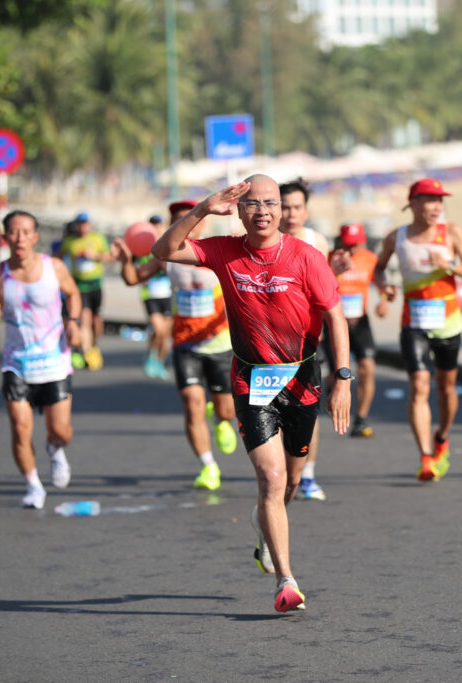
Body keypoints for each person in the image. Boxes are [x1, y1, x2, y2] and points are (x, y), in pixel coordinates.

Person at [152, 175, 351, 614]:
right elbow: (162, 251)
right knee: (271, 479)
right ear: (239, 211)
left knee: (293, 481)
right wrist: (203, 209)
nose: (262, 211)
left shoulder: (306, 257)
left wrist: (342, 378)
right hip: (251, 381)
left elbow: (335, 316)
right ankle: (286, 579)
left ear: (281, 209)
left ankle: (266, 529)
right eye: (252, 204)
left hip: (301, 378)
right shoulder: (224, 251)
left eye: (270, 203)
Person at [112, 199, 238, 491]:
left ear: (203, 221)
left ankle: (220, 419)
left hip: (220, 345)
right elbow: (133, 280)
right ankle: (208, 466)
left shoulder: (219, 252)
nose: (189, 224)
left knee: (227, 411)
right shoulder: (165, 258)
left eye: (193, 217)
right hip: (185, 345)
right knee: (191, 406)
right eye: (181, 219)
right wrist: (125, 260)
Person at [0, 210, 83, 509]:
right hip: (17, 363)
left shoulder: (54, 267)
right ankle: (33, 486)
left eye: (25, 232)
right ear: (4, 237)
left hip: (54, 361)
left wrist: (73, 321)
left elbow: (73, 294)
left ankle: (55, 449)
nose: (19, 237)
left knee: (60, 431)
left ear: (35, 236)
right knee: (20, 428)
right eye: (13, 232)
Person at [374, 178, 462, 482]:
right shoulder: (397, 237)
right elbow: (379, 269)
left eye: (440, 201)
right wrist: (385, 290)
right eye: (429, 200)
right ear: (413, 203)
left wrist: (449, 265)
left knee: (446, 389)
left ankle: (442, 437)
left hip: (448, 323)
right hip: (413, 322)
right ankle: (425, 458)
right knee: (419, 385)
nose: (435, 207)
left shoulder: (452, 233)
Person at [278, 178, 332, 501]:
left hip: (308, 342)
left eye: (297, 207)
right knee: (277, 411)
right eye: (284, 206)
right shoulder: (265, 241)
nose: (291, 213)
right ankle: (284, 471)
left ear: (306, 210)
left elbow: (327, 291)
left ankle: (307, 475)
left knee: (307, 408)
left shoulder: (317, 242)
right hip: (270, 345)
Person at [323, 222, 390, 438]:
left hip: (360, 321)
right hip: (334, 322)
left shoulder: (369, 258)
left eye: (356, 244)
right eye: (348, 244)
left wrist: (384, 299)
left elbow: (381, 280)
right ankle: (329, 386)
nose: (352, 249)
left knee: (367, 367)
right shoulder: (329, 257)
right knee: (338, 373)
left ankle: (361, 419)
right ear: (340, 241)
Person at [57, 212, 110, 371]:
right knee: (85, 318)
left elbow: (108, 257)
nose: (83, 227)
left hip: (96, 285)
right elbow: (56, 258)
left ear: (90, 225)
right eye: (80, 224)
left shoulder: (98, 239)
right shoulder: (69, 242)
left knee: (96, 320)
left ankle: (94, 345)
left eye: (85, 224)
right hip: (80, 286)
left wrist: (95, 256)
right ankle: (87, 352)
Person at [132, 219, 173, 381]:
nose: (156, 228)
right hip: (150, 295)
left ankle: (160, 362)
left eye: (158, 225)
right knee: (158, 329)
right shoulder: (142, 247)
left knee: (166, 336)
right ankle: (151, 357)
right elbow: (134, 269)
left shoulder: (169, 243)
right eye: (153, 225)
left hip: (168, 294)